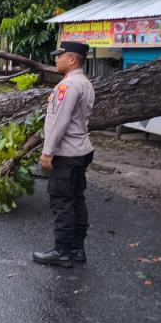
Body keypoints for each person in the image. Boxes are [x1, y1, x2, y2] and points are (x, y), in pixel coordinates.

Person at [33, 41, 95, 268]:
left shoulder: (67, 86)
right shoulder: (85, 83)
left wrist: (47, 152)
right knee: (77, 199)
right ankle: (77, 249)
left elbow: (61, 121)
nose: (55, 60)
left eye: (59, 56)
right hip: (82, 150)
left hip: (66, 153)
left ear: (71, 59)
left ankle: (63, 251)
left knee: (62, 202)